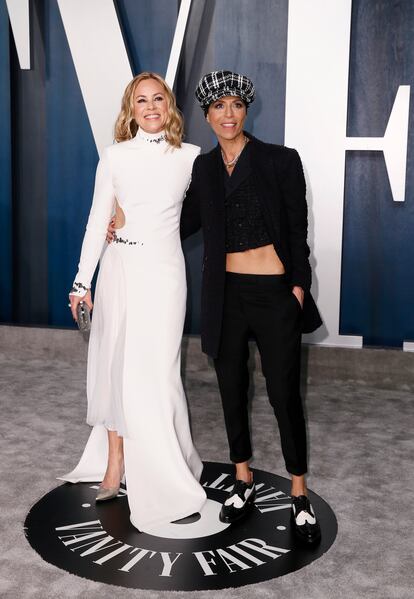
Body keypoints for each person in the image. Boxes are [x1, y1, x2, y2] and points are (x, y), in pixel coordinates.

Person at [180, 71, 323, 544]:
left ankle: (298, 493)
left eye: (235, 105)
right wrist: (127, 217)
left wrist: (297, 289)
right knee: (231, 391)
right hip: (225, 297)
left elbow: (297, 231)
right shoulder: (202, 169)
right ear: (206, 116)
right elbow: (179, 223)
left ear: (246, 110)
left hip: (275, 295)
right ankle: (243, 480)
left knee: (284, 396)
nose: (227, 114)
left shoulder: (280, 161)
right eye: (218, 107)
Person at [61, 72, 206, 534]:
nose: (149, 107)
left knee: (157, 374)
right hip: (120, 272)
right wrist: (81, 282)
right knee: (115, 367)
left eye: (157, 98)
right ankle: (115, 463)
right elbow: (95, 222)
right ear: (130, 109)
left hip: (165, 277)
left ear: (169, 106)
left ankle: (166, 470)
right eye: (140, 100)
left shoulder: (190, 158)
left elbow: (208, 215)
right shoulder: (115, 157)